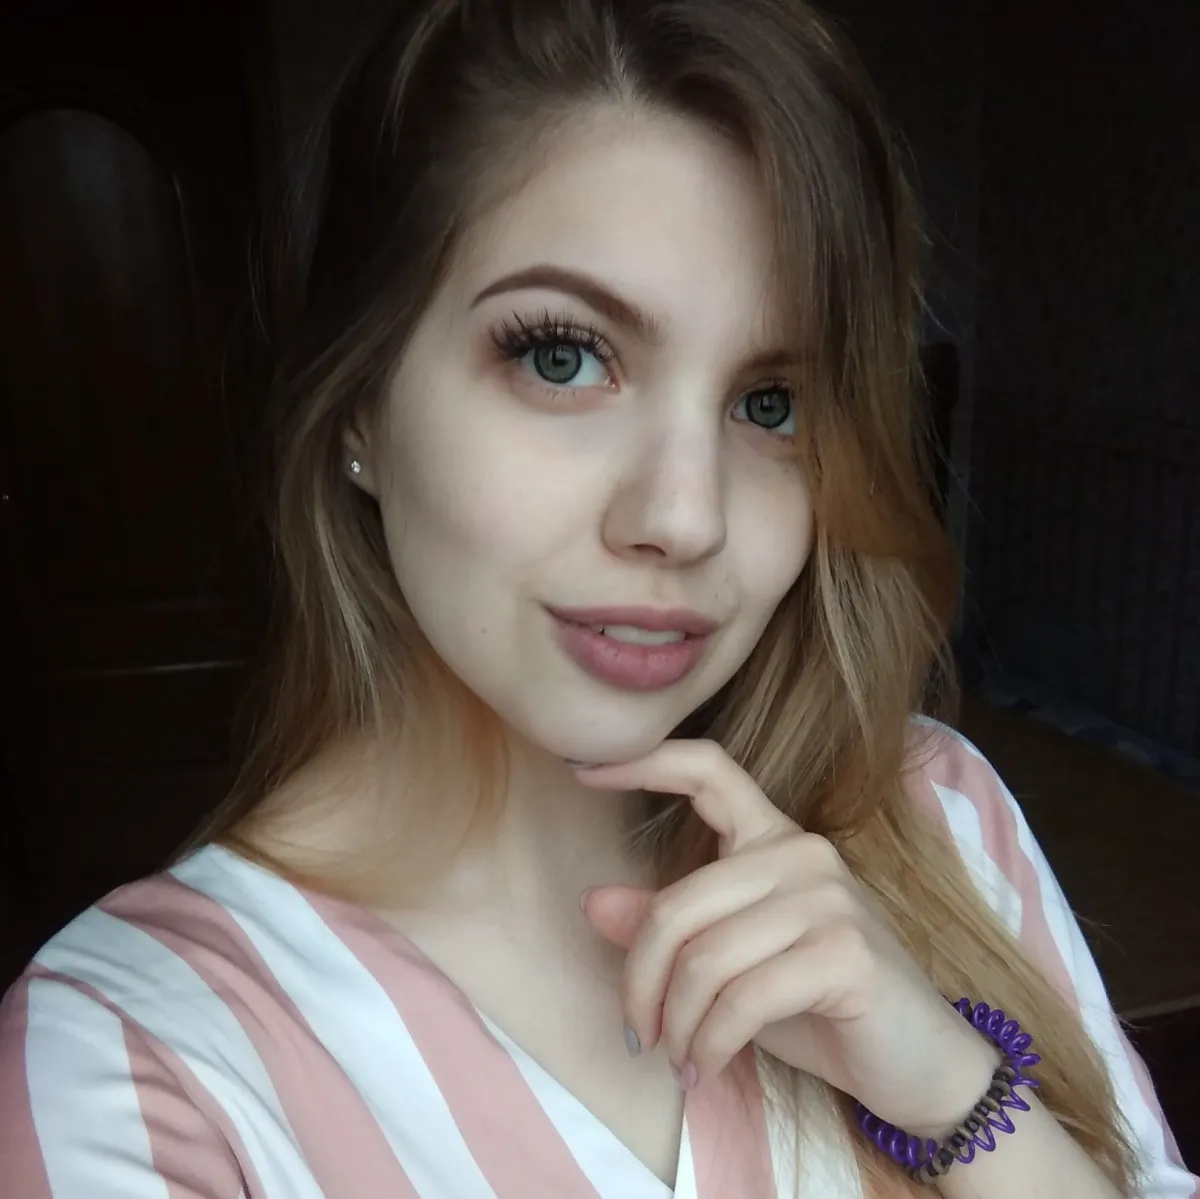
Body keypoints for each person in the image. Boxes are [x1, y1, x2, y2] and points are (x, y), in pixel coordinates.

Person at [1, 1, 1194, 1196]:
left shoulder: (936, 817)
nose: (686, 515)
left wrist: (952, 1090)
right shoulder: (130, 1071)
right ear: (360, 401)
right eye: (562, 355)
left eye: (771, 404)